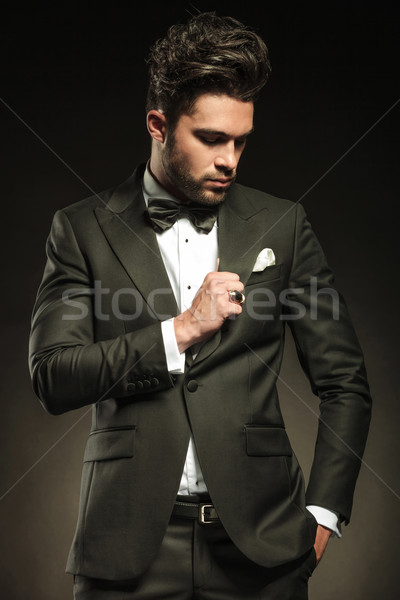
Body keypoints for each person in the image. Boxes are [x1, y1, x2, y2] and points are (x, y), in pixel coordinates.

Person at [29, 11, 372, 600]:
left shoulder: (284, 227)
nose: (230, 160)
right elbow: (54, 377)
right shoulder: (80, 229)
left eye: (241, 140)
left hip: (264, 550)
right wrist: (181, 329)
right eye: (211, 139)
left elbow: (345, 381)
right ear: (158, 125)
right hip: (126, 547)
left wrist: (322, 514)